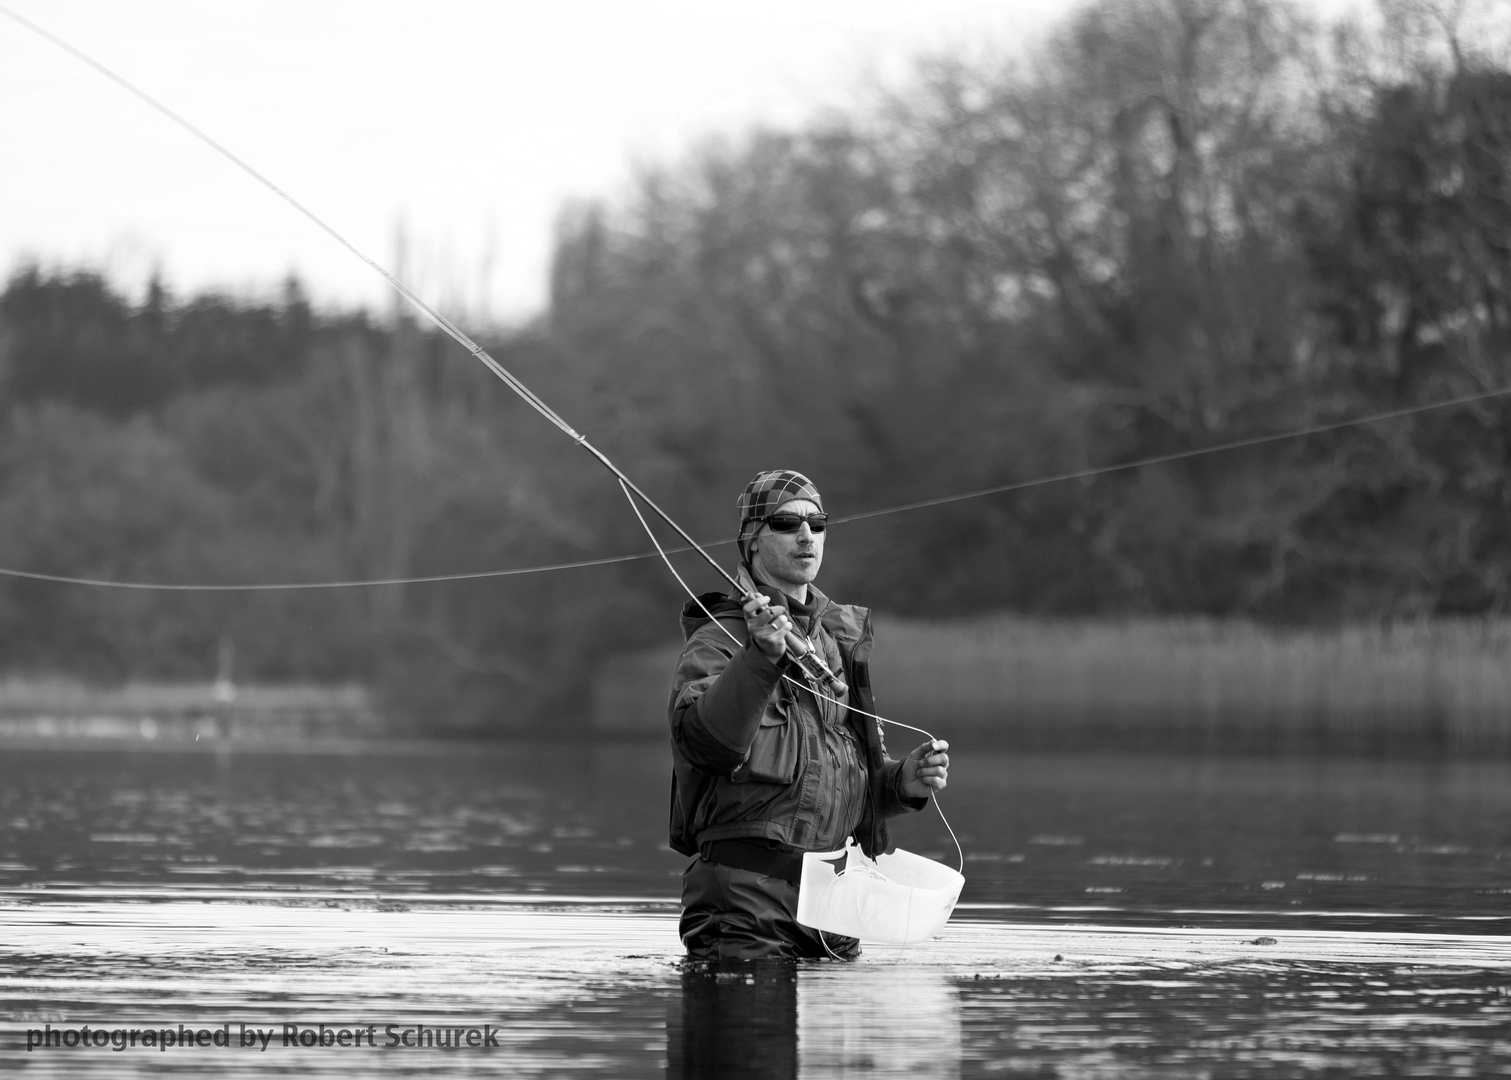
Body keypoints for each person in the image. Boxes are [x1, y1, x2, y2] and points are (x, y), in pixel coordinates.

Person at [667, 469, 950, 960]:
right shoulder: (716, 640)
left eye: (817, 524)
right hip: (744, 910)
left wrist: (904, 783)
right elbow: (705, 744)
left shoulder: (837, 648)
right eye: (785, 523)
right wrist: (759, 657)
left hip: (834, 913)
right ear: (752, 541)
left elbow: (846, 790)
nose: (806, 536)